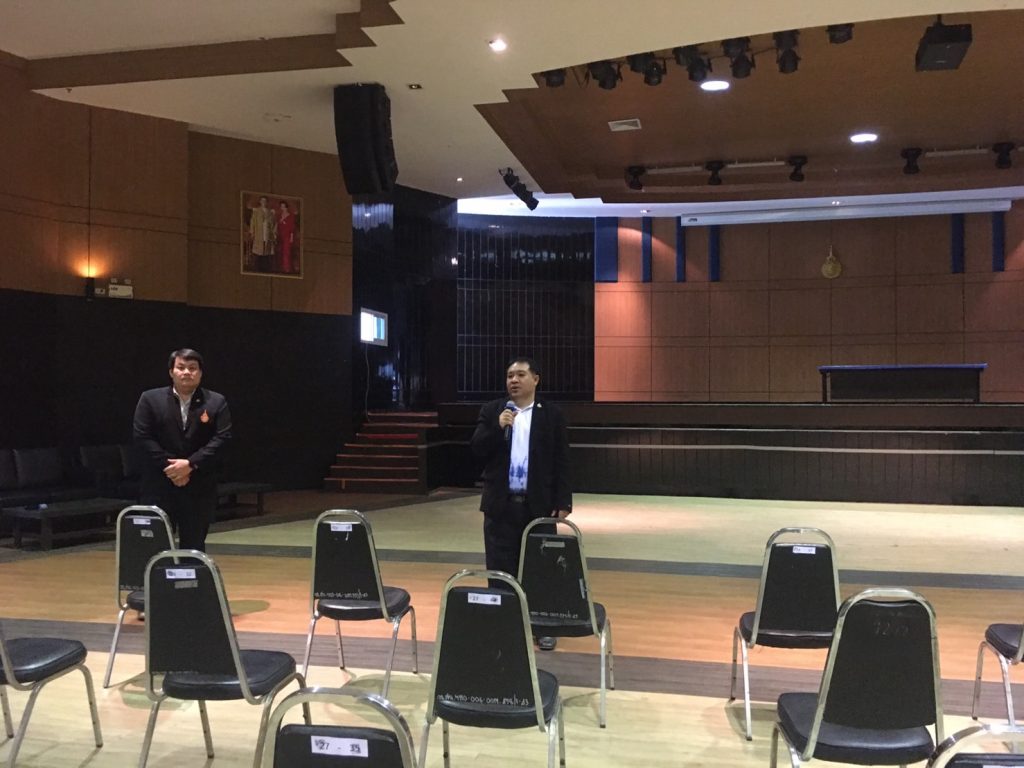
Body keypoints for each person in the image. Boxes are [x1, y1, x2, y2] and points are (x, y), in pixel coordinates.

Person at [470, 357, 572, 650]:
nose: (513, 380)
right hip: (500, 506)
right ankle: (503, 625)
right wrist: (496, 427)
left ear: (535, 379)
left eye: (520, 375)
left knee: (540, 568)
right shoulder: (493, 411)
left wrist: (563, 501)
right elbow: (476, 449)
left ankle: (542, 626)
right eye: (509, 376)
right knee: (499, 569)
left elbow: (562, 460)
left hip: (538, 506)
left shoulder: (551, 414)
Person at [133, 348, 232, 552]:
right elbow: (142, 436)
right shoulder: (150, 399)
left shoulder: (216, 401)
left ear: (200, 373)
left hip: (198, 486)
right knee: (155, 547)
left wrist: (190, 464)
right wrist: (172, 468)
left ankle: (191, 574)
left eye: (192, 368)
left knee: (194, 547)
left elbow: (222, 438)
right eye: (181, 367)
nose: (187, 372)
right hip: (160, 484)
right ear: (171, 372)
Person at [247, 195, 276, 271]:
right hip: (259, 232)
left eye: (265, 201)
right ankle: (257, 267)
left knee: (266, 250)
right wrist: (252, 232)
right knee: (258, 250)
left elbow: (273, 224)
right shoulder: (256, 211)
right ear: (260, 202)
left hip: (267, 232)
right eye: (262, 201)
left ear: (266, 202)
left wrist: (273, 234)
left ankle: (265, 267)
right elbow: (253, 222)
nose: (263, 202)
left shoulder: (270, 212)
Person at [276, 200, 297, 273]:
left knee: (286, 252)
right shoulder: (280, 216)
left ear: (286, 207)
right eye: (281, 207)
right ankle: (281, 267)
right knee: (281, 251)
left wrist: (291, 237)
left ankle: (287, 268)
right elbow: (278, 226)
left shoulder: (291, 216)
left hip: (287, 236)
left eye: (284, 207)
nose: (283, 208)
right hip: (280, 235)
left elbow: (292, 227)